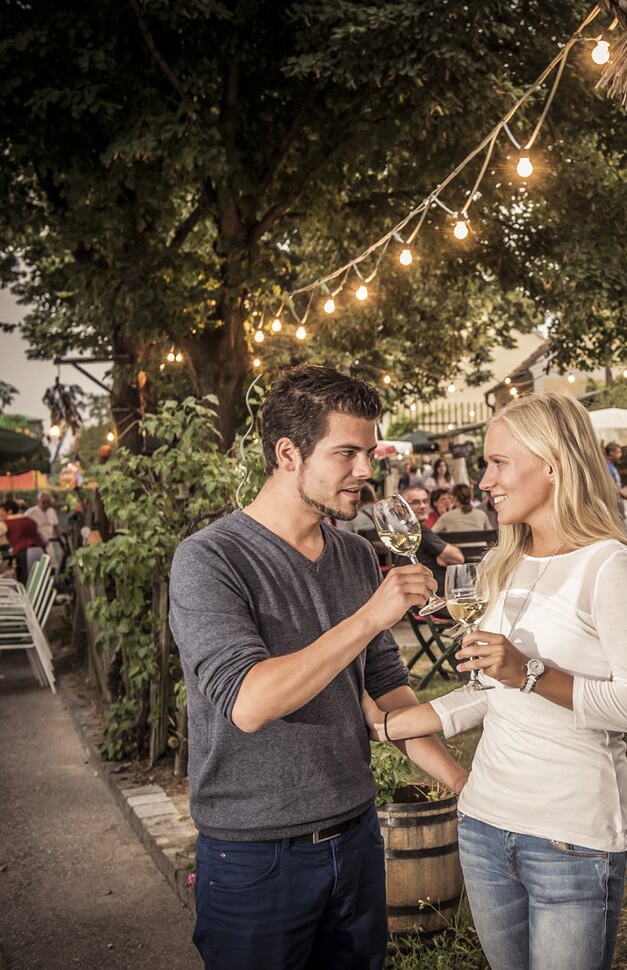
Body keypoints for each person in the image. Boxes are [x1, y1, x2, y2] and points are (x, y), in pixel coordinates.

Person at [168, 364, 468, 970]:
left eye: (370, 452)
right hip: (256, 858)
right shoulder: (210, 558)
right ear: (288, 454)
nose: (366, 470)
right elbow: (249, 703)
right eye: (347, 453)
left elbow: (388, 692)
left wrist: (466, 787)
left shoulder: (356, 555)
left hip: (357, 838)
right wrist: (371, 617)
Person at [362, 392, 627, 970]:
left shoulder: (610, 566)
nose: (485, 480)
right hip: (482, 826)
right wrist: (388, 724)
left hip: (569, 839)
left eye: (499, 462)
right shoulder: (508, 562)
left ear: (551, 464)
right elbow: (489, 692)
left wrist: (529, 672)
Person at [399, 485, 464, 596]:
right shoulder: (418, 530)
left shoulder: (404, 530)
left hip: (419, 594)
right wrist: (442, 554)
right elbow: (458, 557)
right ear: (401, 508)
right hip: (436, 597)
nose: (423, 506)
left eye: (425, 501)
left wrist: (440, 553)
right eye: (415, 502)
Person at [1, 500, 46, 583]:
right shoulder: (30, 520)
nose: (1, 514)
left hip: (25, 552)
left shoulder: (6, 523)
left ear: (10, 511)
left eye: (2, 511)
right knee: (38, 580)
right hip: (40, 550)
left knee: (26, 580)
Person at [26, 489, 65, 569]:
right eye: (44, 502)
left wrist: (62, 540)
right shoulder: (30, 513)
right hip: (36, 545)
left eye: (48, 502)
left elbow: (55, 527)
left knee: (52, 565)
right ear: (39, 501)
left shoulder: (51, 511)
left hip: (50, 543)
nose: (46, 504)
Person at [602, 442, 627, 511]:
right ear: (611, 453)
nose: (620, 455)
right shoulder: (607, 467)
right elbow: (614, 488)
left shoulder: (611, 466)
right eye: (619, 452)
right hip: (613, 504)